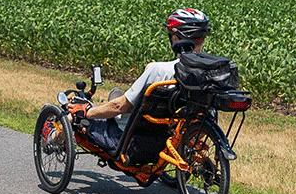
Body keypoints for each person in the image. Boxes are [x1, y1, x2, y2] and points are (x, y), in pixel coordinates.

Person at [71, 8, 212, 124]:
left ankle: (52, 139)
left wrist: (87, 111)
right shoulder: (209, 73)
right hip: (176, 136)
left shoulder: (158, 70)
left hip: (135, 138)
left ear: (175, 38)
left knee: (73, 116)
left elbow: (119, 106)